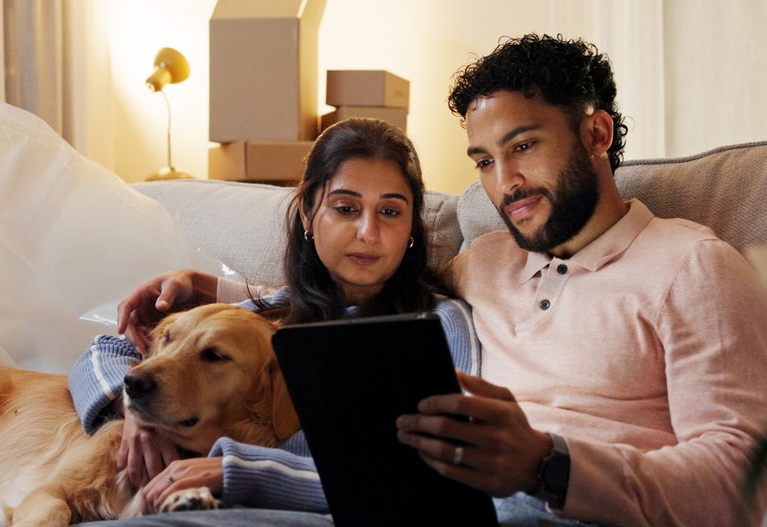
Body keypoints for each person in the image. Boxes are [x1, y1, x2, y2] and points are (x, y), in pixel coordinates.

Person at [99, 35, 767, 527]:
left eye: (523, 147)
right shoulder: (483, 263)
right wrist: (218, 294)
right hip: (414, 500)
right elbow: (352, 303)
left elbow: (744, 484)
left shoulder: (695, 268)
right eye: (483, 160)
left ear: (597, 135)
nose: (504, 183)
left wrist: (548, 464)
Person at [68, 118, 480, 516]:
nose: (368, 233)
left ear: (412, 224)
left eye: (390, 212)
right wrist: (136, 413)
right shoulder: (272, 314)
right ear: (307, 213)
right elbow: (105, 350)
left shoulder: (442, 324)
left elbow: (439, 467)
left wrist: (242, 471)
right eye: (345, 208)